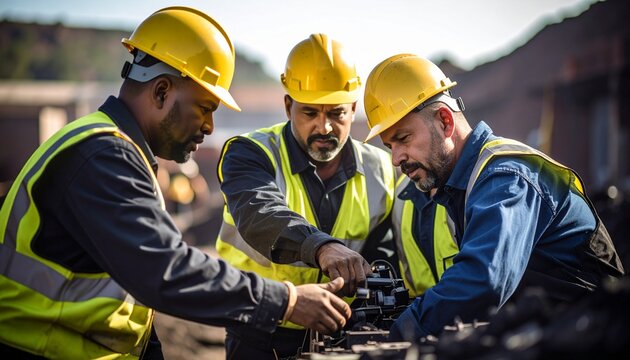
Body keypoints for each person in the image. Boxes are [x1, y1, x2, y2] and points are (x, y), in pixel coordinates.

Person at [0, 8, 351, 359]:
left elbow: (133, 289)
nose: (211, 126)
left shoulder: (117, 150)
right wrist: (285, 301)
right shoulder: (104, 154)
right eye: (204, 108)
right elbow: (164, 270)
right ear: (162, 91)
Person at [362, 54, 625, 341]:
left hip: (593, 337)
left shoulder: (506, 177)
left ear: (445, 121)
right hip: (555, 332)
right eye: (389, 145)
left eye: (403, 138)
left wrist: (396, 334)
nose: (396, 158)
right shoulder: (461, 186)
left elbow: (482, 280)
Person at [216, 33, 396, 358]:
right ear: (288, 106)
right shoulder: (250, 152)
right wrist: (323, 248)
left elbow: (383, 247)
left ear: (354, 109)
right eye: (310, 112)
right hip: (259, 326)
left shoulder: (382, 168)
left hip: (343, 330)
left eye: (337, 113)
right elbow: (260, 213)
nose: (324, 127)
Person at [392, 176, 459, 298]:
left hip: (474, 311)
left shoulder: (470, 187)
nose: (395, 161)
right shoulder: (402, 187)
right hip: (421, 308)